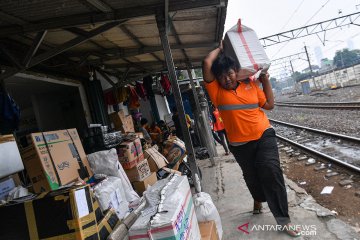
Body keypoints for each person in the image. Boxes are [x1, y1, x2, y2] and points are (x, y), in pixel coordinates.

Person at [202, 43, 300, 237]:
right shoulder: (217, 92)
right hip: (239, 144)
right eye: (221, 76)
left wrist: (265, 80)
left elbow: (270, 105)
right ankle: (258, 198)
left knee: (271, 170)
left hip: (264, 134)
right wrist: (221, 49)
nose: (226, 78)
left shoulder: (251, 85)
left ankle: (284, 220)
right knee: (252, 177)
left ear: (236, 71)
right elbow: (207, 62)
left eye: (229, 73)